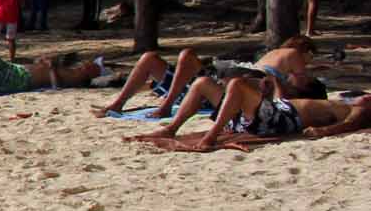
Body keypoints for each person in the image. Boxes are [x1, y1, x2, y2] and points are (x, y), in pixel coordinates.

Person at [128, 73, 371, 151]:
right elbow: (279, 101)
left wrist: (326, 131)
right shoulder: (297, 100)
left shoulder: (356, 106)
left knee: (237, 84)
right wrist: (271, 83)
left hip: (281, 121)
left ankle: (210, 136)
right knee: (202, 82)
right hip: (273, 115)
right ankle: (171, 128)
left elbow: (353, 122)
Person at [93, 38, 320, 118]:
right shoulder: (293, 56)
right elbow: (301, 79)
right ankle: (116, 105)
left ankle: (167, 105)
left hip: (210, 91)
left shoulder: (276, 59)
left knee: (186, 55)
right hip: (212, 84)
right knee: (150, 57)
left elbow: (294, 90)